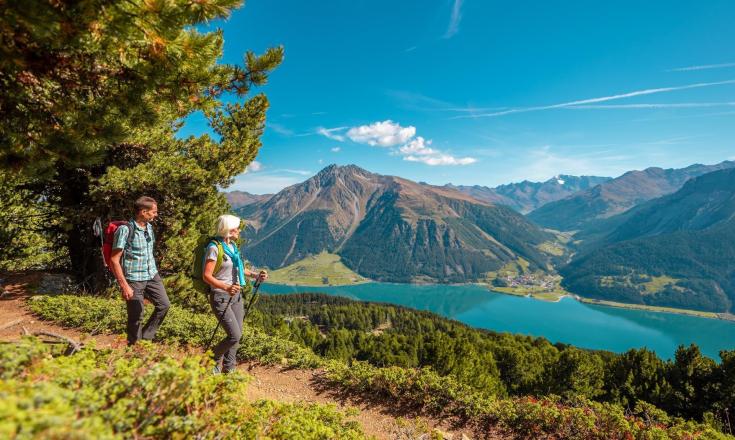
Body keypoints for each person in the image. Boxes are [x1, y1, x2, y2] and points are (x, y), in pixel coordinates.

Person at [202, 214, 267, 373]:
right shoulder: (214, 247)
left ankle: (229, 369)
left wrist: (255, 275)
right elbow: (206, 276)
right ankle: (212, 360)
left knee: (237, 336)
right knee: (234, 335)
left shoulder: (232, 247)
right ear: (228, 230)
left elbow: (238, 269)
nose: (239, 230)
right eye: (236, 228)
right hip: (220, 296)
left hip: (236, 296)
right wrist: (226, 287)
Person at [109, 196, 170, 346]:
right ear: (143, 212)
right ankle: (134, 349)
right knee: (136, 316)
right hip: (134, 278)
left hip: (151, 275)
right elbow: (114, 260)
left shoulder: (149, 227)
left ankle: (145, 340)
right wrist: (124, 285)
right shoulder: (125, 230)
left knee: (164, 305)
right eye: (154, 212)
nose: (156, 214)